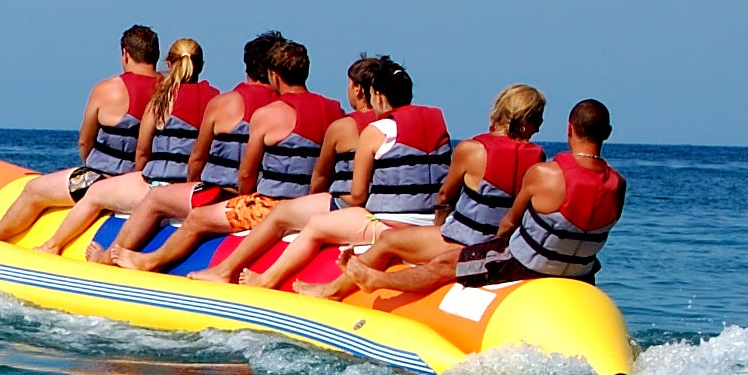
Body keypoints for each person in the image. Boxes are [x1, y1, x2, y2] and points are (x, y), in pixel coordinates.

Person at [214, 57, 454, 290]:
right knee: (300, 212)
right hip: (428, 226)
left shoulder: (377, 130)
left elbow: (358, 196)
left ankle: (266, 279)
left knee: (317, 225)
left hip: (387, 223)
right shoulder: (439, 125)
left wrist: (334, 201)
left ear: (378, 96)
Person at [100, 37, 334, 274]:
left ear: (272, 73)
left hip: (252, 199)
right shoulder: (334, 110)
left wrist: (239, 195)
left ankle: (140, 260)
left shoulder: (257, 110)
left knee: (179, 209)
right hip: (310, 203)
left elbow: (237, 170)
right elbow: (322, 172)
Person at [305, 84, 546, 302]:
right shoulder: (539, 159)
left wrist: (440, 225)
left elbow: (444, 197)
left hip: (463, 240)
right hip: (501, 245)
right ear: (528, 121)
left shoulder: (472, 150)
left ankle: (334, 290)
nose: (541, 125)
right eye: (539, 119)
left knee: (389, 241)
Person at [84, 32, 285, 263]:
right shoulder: (283, 109)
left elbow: (197, 159)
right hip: (269, 197)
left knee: (155, 199)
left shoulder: (222, 103)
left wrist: (193, 185)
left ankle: (109, 256)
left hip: (226, 194)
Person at [0, 25, 161, 244]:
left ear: (125, 53)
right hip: (145, 183)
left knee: (33, 190)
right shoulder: (170, 90)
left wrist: (90, 166)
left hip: (100, 178)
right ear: (156, 55)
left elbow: (85, 141)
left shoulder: (109, 89)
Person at [38, 37, 209, 258]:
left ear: (168, 63)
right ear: (201, 65)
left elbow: (142, 151)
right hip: (197, 189)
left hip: (157, 186)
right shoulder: (217, 101)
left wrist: (138, 174)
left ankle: (54, 245)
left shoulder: (161, 101)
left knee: (94, 193)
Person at [456, 98, 625, 285]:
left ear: (569, 129)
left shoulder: (544, 173)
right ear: (608, 133)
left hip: (525, 267)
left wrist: (487, 246)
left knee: (445, 263)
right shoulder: (618, 185)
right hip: (581, 274)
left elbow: (509, 224)